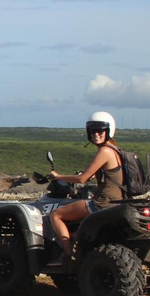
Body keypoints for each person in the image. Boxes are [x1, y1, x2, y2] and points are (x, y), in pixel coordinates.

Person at [46, 110, 124, 266]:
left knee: (56, 215)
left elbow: (83, 179)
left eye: (100, 130)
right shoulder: (117, 151)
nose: (96, 134)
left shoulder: (105, 151)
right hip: (117, 202)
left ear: (109, 131)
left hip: (102, 203)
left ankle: (67, 256)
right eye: (93, 131)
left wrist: (58, 176)